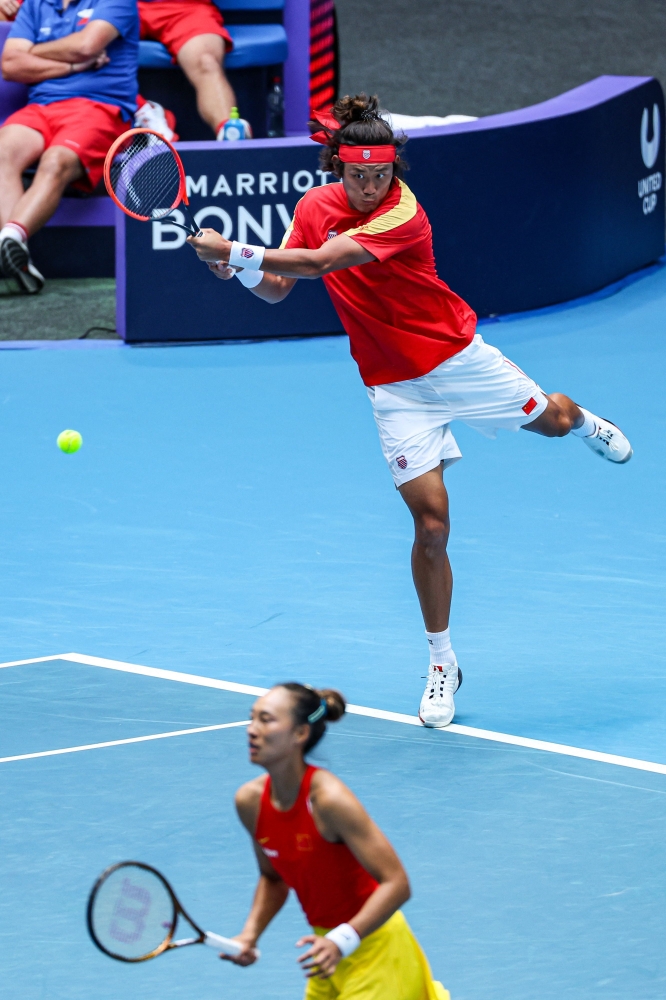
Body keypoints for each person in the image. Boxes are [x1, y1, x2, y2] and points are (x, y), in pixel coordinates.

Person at [187, 93, 634, 729]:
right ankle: (442, 662)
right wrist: (235, 271)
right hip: (393, 388)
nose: (370, 187)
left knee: (553, 421)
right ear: (336, 167)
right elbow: (280, 288)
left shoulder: (403, 214)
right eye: (357, 175)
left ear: (395, 171)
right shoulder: (314, 207)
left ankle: (585, 422)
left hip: (457, 361)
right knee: (431, 528)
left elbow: (316, 264)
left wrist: (233, 251)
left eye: (381, 174)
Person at [227, 682, 449, 1000]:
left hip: (376, 950)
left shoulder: (328, 800)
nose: (252, 730)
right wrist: (250, 935)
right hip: (326, 952)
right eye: (252, 718)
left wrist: (342, 939)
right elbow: (273, 878)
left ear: (300, 734)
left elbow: (397, 883)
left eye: (266, 719)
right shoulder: (250, 802)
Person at [0, 0, 138, 293]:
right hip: (42, 106)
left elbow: (87, 44)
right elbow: (11, 64)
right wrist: (74, 65)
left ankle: (10, 237)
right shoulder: (36, 4)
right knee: (3, 152)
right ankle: (15, 253)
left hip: (100, 107)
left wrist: (34, 50)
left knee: (56, 160)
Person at [136, 0, 250, 140]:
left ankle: (230, 135)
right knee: (100, 46)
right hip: (116, 5)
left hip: (185, 6)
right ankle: (143, 109)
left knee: (205, 60)